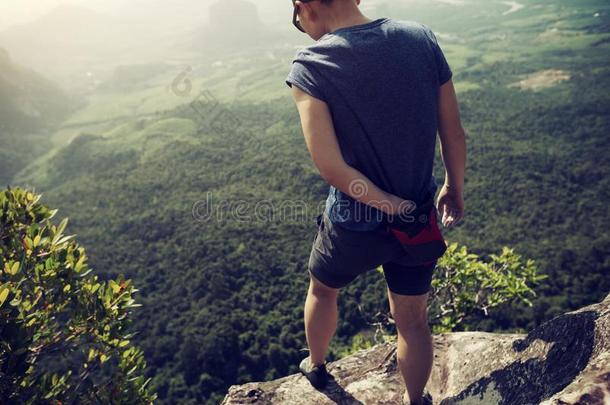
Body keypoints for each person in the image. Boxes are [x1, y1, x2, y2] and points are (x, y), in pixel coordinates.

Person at [285, 0, 466, 403]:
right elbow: (453, 131)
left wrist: (387, 205)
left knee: (323, 289)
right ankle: (416, 398)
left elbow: (332, 168)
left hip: (352, 223)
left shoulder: (310, 66)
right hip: (418, 217)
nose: (298, 22)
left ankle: (315, 365)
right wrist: (454, 186)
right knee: (413, 322)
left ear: (306, 5)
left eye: (295, 13)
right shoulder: (420, 39)